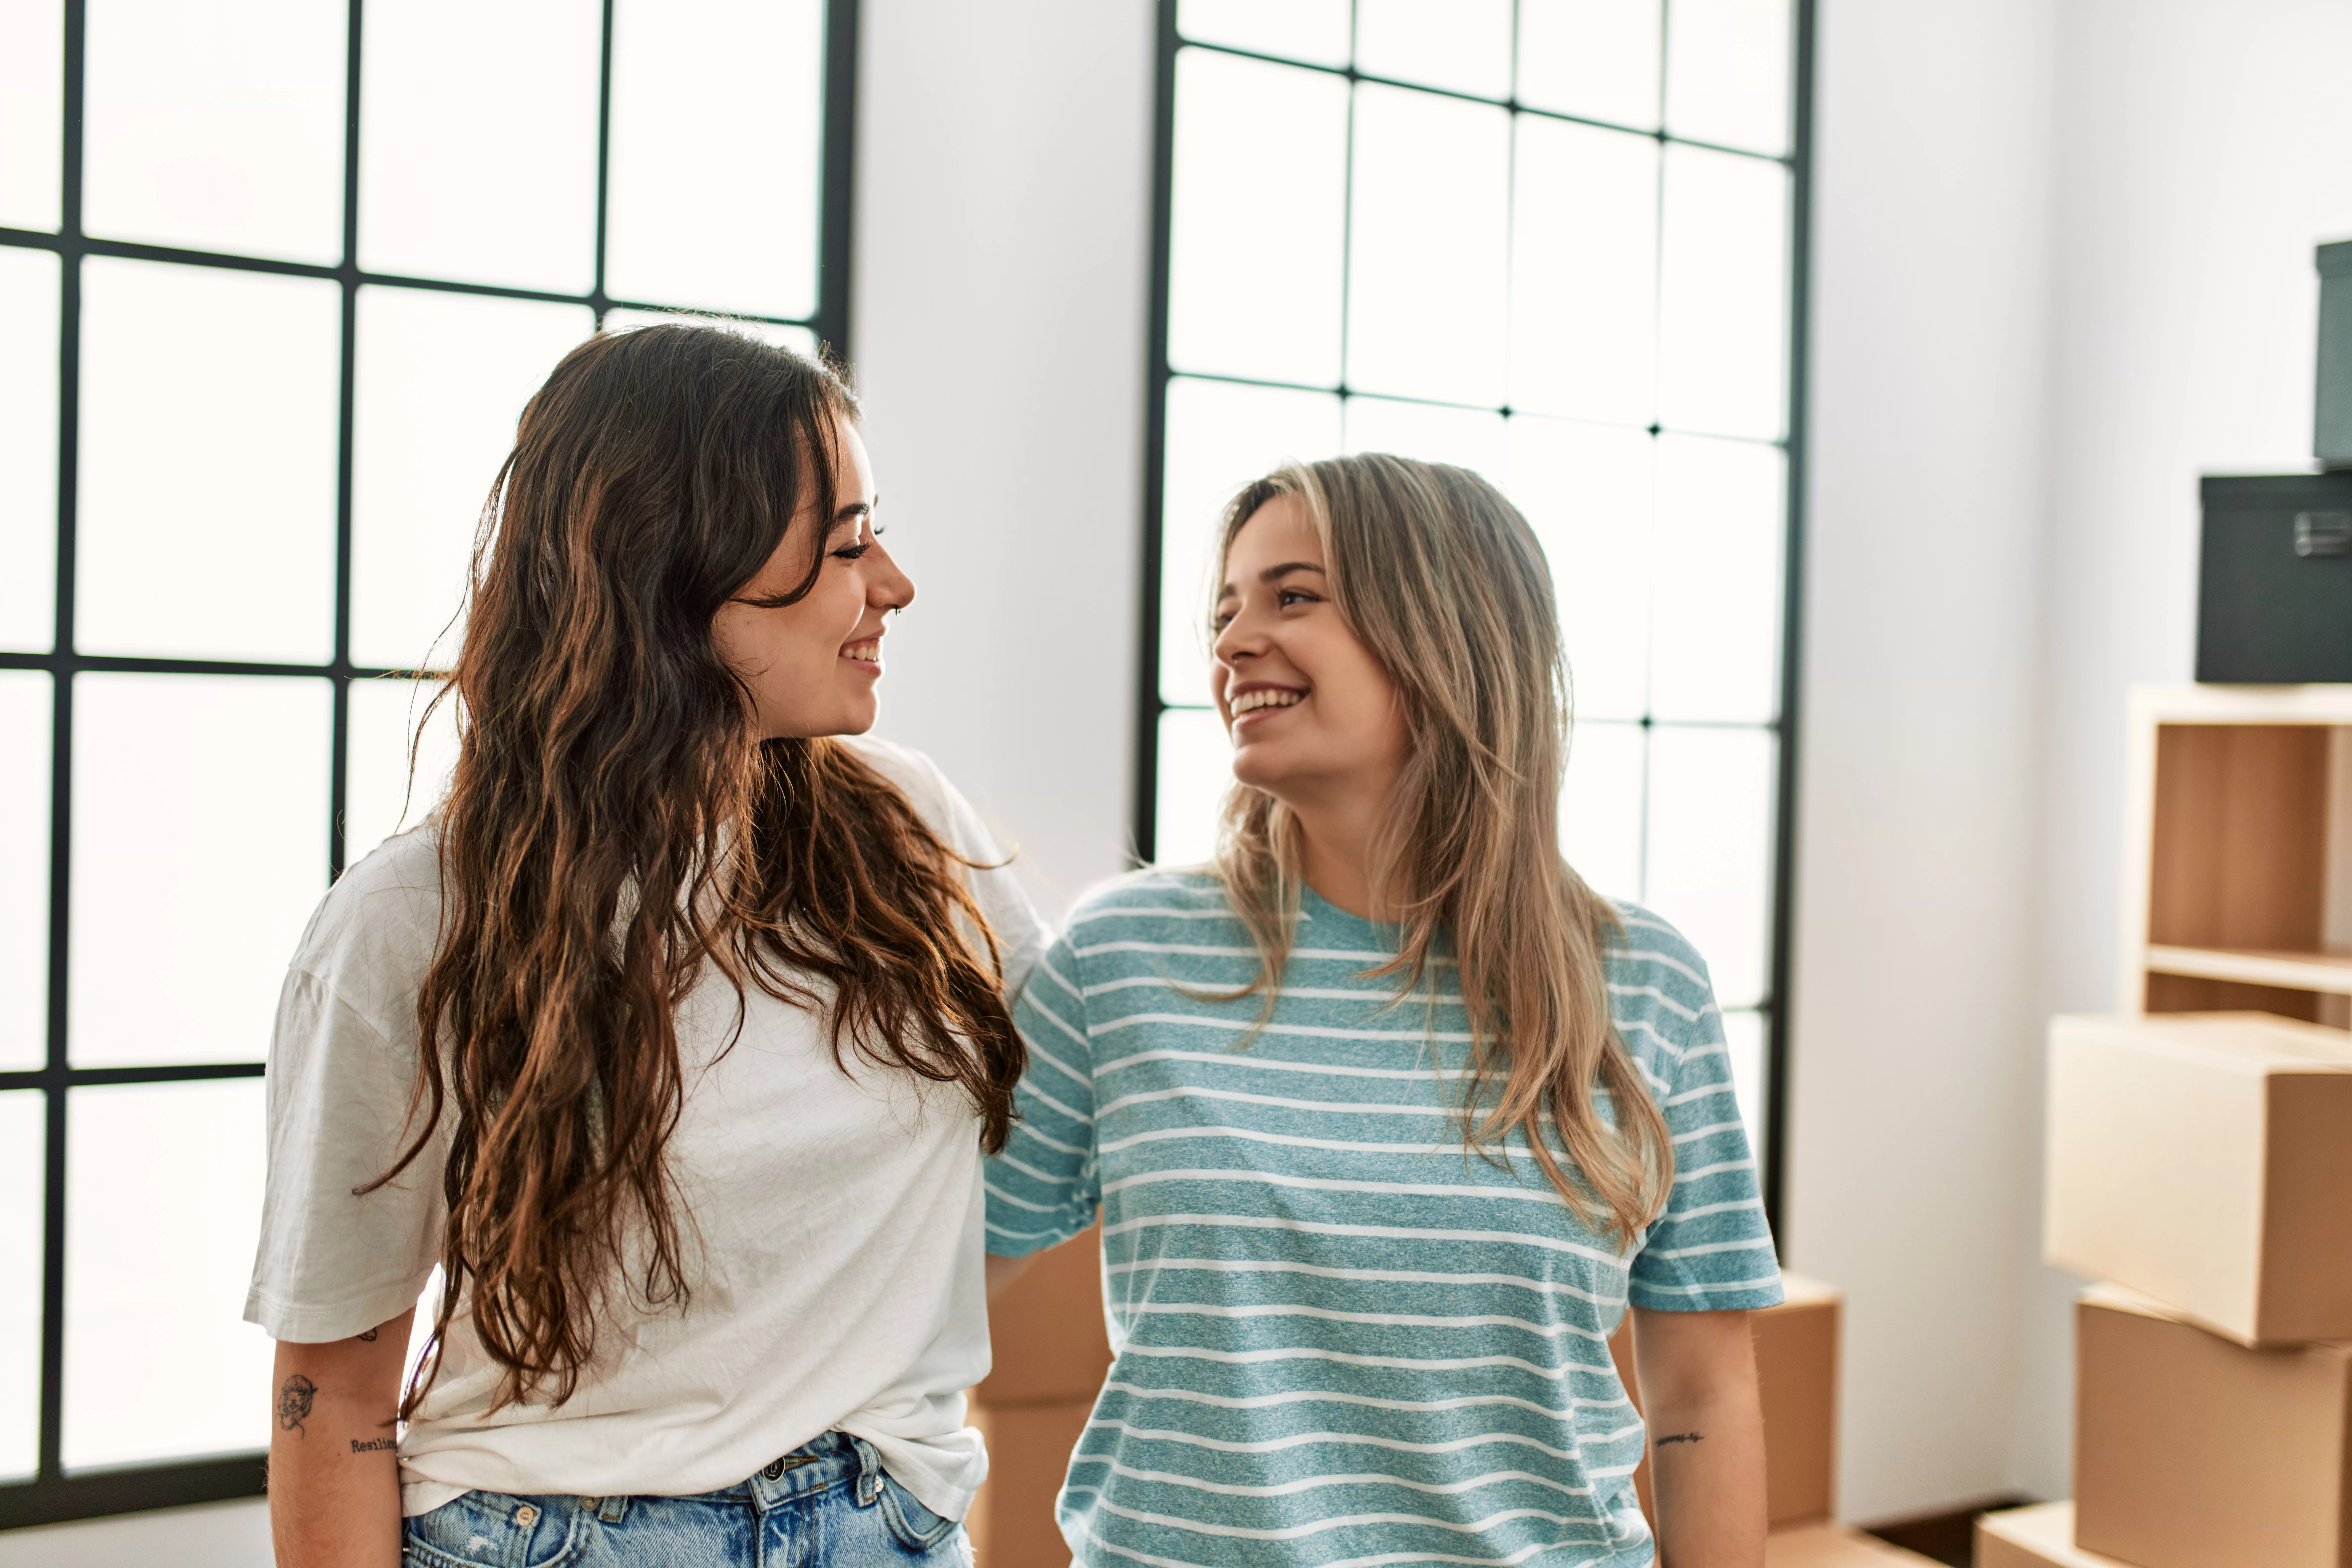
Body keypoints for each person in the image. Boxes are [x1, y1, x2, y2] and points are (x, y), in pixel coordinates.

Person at [249, 324, 1044, 1567]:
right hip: (551, 1537)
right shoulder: (413, 921)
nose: (893, 582)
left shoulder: (908, 831)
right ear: (680, 572)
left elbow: (1086, 1104)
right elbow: (334, 1392)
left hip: (882, 1523)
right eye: (846, 544)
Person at [983, 454, 1779, 1567]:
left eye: (1292, 596)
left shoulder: (1646, 985)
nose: (1231, 643)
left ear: (1446, 631)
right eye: (1226, 609)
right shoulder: (1123, 958)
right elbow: (925, 1279)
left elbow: (1702, 1391)